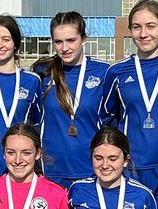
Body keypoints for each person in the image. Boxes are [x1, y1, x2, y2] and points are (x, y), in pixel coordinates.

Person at [101, 0, 158, 189]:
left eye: (150, 26)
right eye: (136, 27)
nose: (143, 34)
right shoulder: (117, 70)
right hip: (131, 165)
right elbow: (108, 116)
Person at [34, 11, 110, 188]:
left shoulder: (104, 72)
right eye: (58, 42)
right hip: (52, 169)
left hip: (92, 168)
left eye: (71, 40)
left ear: (83, 39)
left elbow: (111, 119)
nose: (64, 48)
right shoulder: (43, 72)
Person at [0, 15, 42, 177]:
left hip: (20, 166)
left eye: (6, 39)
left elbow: (37, 123)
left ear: (15, 43)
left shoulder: (32, 81)